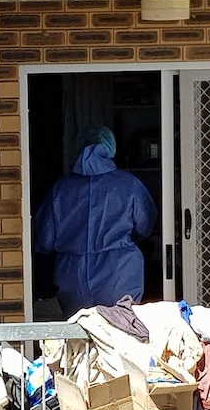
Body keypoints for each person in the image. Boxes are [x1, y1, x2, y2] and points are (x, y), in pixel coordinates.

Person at [34, 126, 157, 317]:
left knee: (78, 338)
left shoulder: (61, 189)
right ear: (110, 149)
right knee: (121, 333)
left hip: (72, 275)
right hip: (120, 271)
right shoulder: (129, 184)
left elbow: (44, 240)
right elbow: (145, 225)